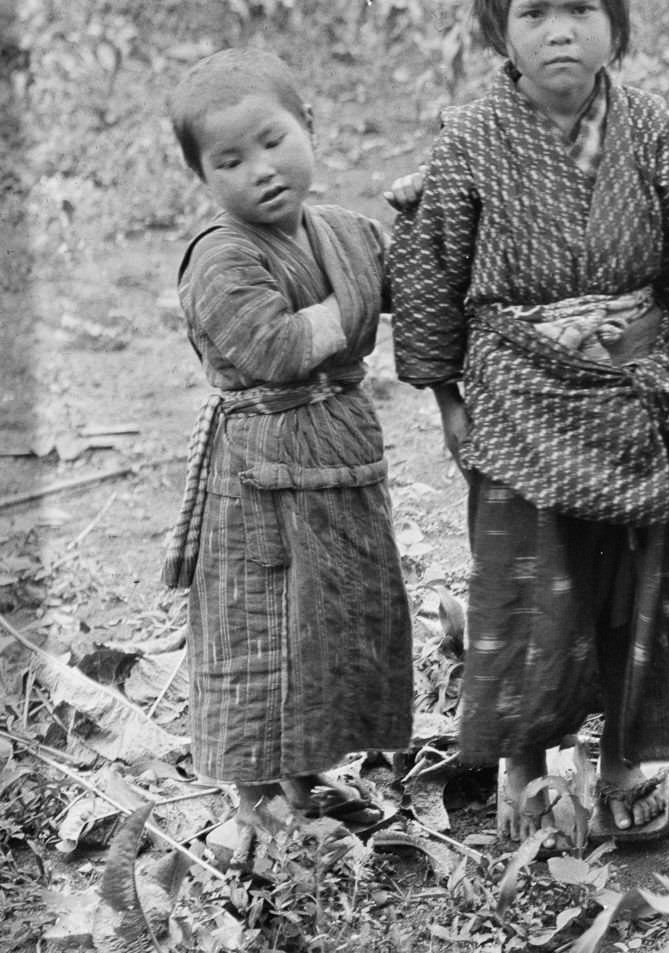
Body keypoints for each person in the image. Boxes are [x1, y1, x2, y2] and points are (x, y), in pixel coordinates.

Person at [389, 0, 669, 846]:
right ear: (499, 27)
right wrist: (449, 396)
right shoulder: (472, 139)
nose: (561, 31)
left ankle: (622, 763)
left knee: (633, 590)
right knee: (525, 588)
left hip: (629, 393)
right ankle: (522, 770)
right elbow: (430, 267)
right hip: (516, 398)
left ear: (616, 18)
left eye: (580, 7)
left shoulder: (652, 131)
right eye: (535, 12)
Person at [162, 48, 412, 838]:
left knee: (332, 618)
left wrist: (429, 219)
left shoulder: (342, 231)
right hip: (258, 473)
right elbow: (273, 345)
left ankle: (308, 775)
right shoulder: (220, 256)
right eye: (229, 160)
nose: (260, 170)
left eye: (273, 140)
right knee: (260, 622)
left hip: (339, 450)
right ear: (205, 179)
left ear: (310, 127)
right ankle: (258, 801)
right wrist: (361, 301)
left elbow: (410, 278)